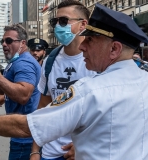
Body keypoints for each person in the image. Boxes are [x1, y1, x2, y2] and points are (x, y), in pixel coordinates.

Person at [0, 3, 148, 160]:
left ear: (115, 49)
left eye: (90, 40)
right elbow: (43, 107)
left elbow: (29, 126)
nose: (82, 47)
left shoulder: (89, 91)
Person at [31, 1, 94, 160]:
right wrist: (35, 150)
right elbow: (43, 109)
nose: (58, 25)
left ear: (83, 24)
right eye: (55, 21)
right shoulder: (49, 61)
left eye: (64, 21)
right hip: (51, 153)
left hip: (85, 152)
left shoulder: (97, 61)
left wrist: (85, 143)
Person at [0, 24, 41, 160]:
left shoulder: (24, 63)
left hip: (25, 139)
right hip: (19, 133)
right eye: (2, 41)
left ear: (23, 43)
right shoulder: (15, 62)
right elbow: (7, 90)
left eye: (8, 41)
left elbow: (23, 95)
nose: (4, 44)